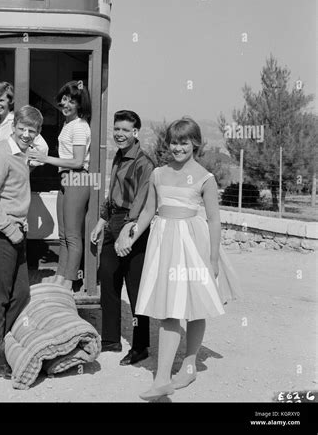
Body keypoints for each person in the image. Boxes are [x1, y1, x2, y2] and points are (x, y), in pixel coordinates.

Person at [116, 116, 242, 401]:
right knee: (170, 309)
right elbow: (148, 212)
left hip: (194, 244)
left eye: (184, 142)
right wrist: (130, 238)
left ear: (195, 143)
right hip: (164, 245)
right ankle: (162, 378)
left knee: (194, 307)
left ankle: (188, 365)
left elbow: (213, 221)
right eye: (174, 141)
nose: (178, 147)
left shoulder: (205, 178)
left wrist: (212, 259)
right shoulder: (158, 174)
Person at [0, 105, 43, 377]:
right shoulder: (2, 154)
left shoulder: (22, 154)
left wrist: (19, 226)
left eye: (32, 130)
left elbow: (11, 194)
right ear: (13, 127)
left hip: (16, 232)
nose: (26, 134)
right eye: (22, 129)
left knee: (22, 293)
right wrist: (8, 227)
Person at [90, 110, 154, 366]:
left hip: (133, 224)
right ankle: (110, 339)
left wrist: (129, 232)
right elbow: (112, 193)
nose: (120, 134)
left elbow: (141, 200)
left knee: (136, 288)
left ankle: (140, 347)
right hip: (113, 221)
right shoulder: (117, 155)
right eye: (117, 129)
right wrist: (102, 221)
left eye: (125, 130)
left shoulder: (144, 163)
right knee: (108, 277)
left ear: (135, 132)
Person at [28, 81, 91, 289]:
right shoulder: (68, 124)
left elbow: (77, 161)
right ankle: (60, 277)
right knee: (63, 234)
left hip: (77, 177)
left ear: (79, 104)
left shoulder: (80, 126)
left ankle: (69, 281)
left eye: (72, 101)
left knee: (72, 236)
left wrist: (46, 159)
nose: (66, 104)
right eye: (64, 99)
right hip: (66, 179)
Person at [0, 81, 49, 165]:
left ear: (9, 101)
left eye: (1, 100)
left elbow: (42, 148)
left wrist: (29, 164)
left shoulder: (18, 121)